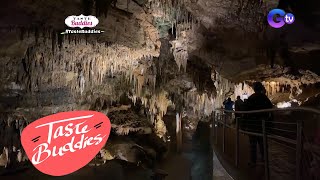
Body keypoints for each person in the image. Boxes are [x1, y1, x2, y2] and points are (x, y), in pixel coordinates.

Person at [244, 82, 273, 167]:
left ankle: (253, 161)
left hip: (252, 124)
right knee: (262, 143)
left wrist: (244, 124)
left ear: (254, 89)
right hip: (262, 124)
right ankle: (264, 159)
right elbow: (270, 108)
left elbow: (246, 111)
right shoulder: (264, 98)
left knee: (253, 144)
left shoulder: (251, 98)